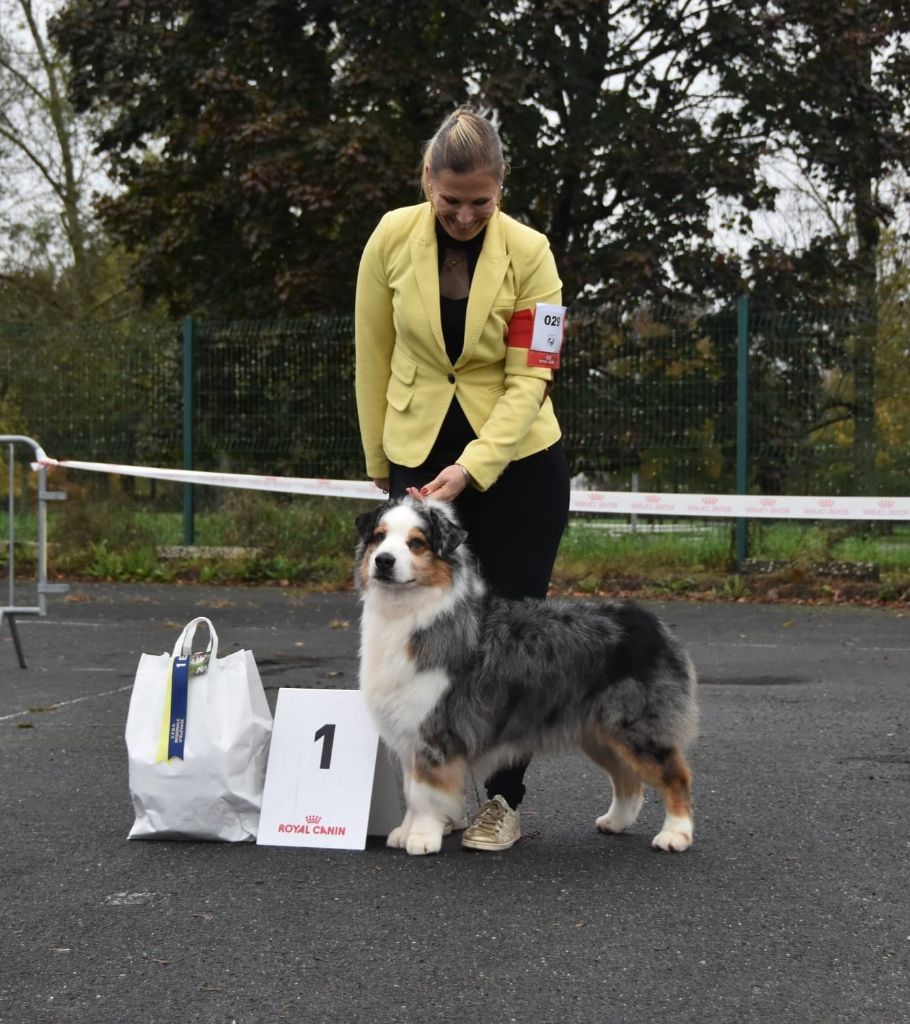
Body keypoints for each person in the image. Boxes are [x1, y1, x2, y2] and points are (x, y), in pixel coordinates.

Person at [354, 106, 570, 851]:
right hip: (416, 453)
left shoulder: (533, 253)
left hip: (517, 462)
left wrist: (473, 467)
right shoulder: (389, 236)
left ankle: (501, 801)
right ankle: (428, 798)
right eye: (452, 201)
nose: (467, 215)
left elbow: (531, 376)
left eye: (482, 201)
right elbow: (372, 354)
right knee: (416, 638)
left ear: (501, 185)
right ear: (428, 182)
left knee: (510, 634)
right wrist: (383, 467)